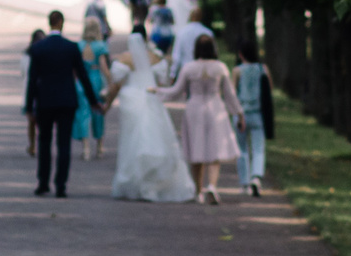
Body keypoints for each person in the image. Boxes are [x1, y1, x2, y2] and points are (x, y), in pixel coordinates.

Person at [24, 11, 106, 197]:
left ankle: (43, 182)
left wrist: (29, 107)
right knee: (63, 144)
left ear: (49, 23)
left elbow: (32, 80)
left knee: (44, 142)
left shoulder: (38, 48)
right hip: (66, 101)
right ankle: (61, 185)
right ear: (61, 23)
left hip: (45, 102)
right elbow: (83, 77)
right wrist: (93, 101)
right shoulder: (71, 47)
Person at [105, 31, 192, 201]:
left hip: (132, 102)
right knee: (155, 137)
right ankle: (152, 181)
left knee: (132, 141)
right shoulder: (156, 58)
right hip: (151, 98)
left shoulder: (124, 60)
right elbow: (161, 82)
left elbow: (116, 84)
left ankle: (135, 182)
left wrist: (107, 104)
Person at [156, 34, 244, 203]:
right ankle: (212, 185)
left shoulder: (189, 68)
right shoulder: (220, 68)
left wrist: (158, 91)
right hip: (215, 107)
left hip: (194, 108)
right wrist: (239, 113)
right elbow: (230, 95)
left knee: (196, 150)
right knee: (214, 150)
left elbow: (175, 91)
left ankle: (198, 191)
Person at [233, 39, 273, 197]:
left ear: (241, 54)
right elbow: (269, 89)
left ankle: (244, 183)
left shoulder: (237, 71)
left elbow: (231, 93)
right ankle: (256, 177)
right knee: (258, 148)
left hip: (240, 113)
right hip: (258, 114)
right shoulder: (262, 68)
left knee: (242, 149)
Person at [74, 17, 115, 160]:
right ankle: (99, 147)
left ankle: (86, 148)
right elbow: (104, 67)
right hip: (96, 79)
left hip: (81, 81)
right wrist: (110, 83)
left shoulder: (79, 45)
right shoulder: (101, 46)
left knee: (83, 113)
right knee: (98, 113)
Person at [165, 10, 213, 85]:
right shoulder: (208, 33)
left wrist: (173, 74)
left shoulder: (182, 32)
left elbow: (177, 56)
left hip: (186, 70)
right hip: (204, 71)